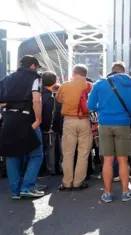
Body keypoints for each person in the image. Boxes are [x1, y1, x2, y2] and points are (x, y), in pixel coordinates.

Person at [87, 61, 131, 203]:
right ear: (123, 71)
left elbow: (90, 105)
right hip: (123, 124)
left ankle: (107, 193)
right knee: (123, 160)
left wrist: (103, 109)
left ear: (111, 71)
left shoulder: (99, 84)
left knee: (108, 160)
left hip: (104, 124)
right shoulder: (130, 85)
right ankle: (125, 192)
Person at [0, 55, 45, 199]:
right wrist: (38, 119)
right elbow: (36, 99)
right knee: (36, 154)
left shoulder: (6, 79)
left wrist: (10, 104)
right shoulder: (34, 77)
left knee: (11, 155)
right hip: (27, 119)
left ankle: (15, 191)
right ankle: (28, 187)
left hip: (8, 120)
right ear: (33, 66)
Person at [56, 64, 93, 191]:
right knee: (83, 153)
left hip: (69, 121)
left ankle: (67, 182)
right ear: (85, 74)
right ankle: (78, 182)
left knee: (68, 153)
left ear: (74, 73)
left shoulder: (65, 85)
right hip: (85, 120)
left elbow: (59, 99)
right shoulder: (90, 86)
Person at [40, 72, 63, 177]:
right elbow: (53, 116)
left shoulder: (38, 95)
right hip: (50, 130)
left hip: (38, 128)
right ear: (55, 82)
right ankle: (52, 169)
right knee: (51, 151)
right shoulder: (52, 98)